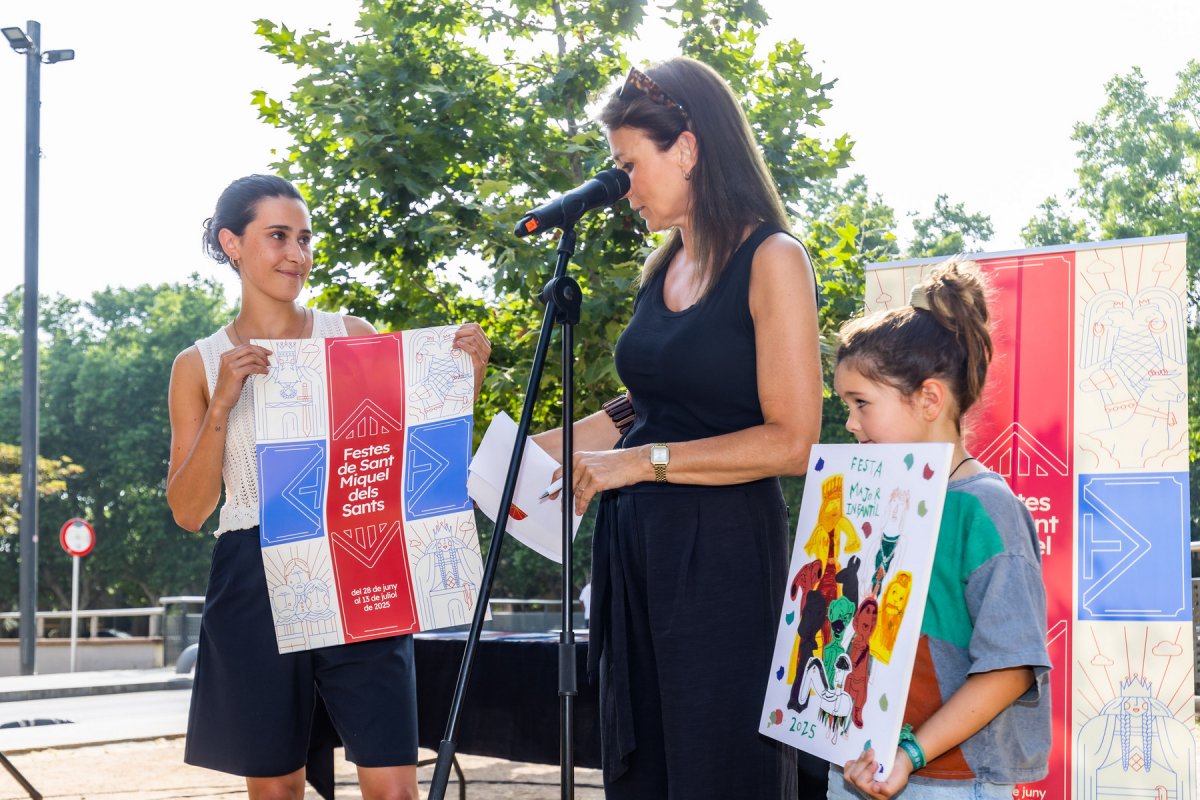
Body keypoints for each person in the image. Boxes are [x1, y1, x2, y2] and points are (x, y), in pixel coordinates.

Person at [533, 58, 823, 799]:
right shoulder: (664, 264)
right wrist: (548, 451)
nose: (622, 184)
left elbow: (792, 440)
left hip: (720, 555)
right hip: (638, 551)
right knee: (647, 772)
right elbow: (653, 403)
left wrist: (640, 464)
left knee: (717, 769)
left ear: (687, 151)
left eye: (630, 163)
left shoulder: (773, 260)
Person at [166, 174, 490, 800]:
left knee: (394, 786)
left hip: (359, 558)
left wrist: (464, 381)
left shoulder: (350, 335)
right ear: (232, 244)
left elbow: (410, 457)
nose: (297, 254)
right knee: (278, 789)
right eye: (278, 236)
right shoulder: (199, 363)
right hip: (252, 573)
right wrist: (222, 406)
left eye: (305, 238)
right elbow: (188, 510)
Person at [832, 260, 1052, 800]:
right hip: (859, 767)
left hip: (949, 783)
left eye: (861, 404)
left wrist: (910, 753)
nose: (850, 423)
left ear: (929, 400)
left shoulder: (985, 512)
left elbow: (1013, 666)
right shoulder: (873, 503)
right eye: (846, 406)